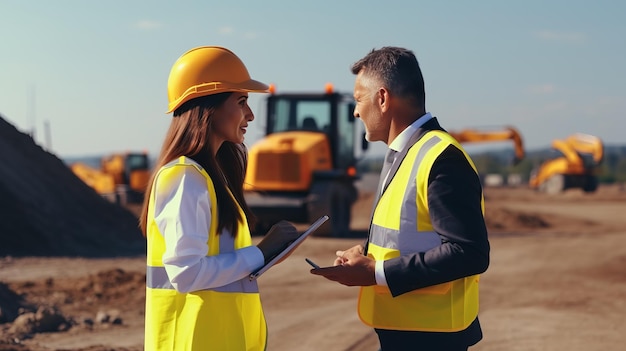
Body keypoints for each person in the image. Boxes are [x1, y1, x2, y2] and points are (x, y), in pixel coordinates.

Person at [310, 46, 490, 350]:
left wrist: (376, 272)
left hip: (432, 336)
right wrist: (365, 254)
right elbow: (407, 233)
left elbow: (469, 252)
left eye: (358, 100)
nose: (355, 111)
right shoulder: (403, 153)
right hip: (406, 330)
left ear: (382, 98)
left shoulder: (441, 158)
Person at [140, 46, 301, 351]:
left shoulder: (211, 181)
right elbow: (186, 273)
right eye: (242, 102)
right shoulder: (185, 178)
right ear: (209, 107)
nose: (250, 115)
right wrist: (261, 253)